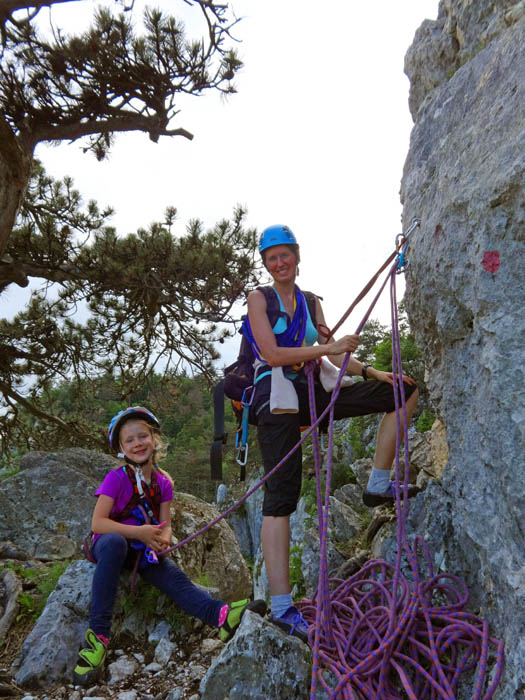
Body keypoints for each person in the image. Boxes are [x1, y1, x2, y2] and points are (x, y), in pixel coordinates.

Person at [246, 225, 419, 643]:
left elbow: (334, 351)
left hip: (312, 389)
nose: (279, 262)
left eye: (284, 254)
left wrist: (373, 371)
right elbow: (271, 353)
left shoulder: (310, 303)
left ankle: (378, 482)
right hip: (276, 396)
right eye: (272, 257)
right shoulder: (259, 299)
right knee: (282, 496)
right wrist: (327, 350)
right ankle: (283, 606)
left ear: (297, 255)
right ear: (266, 264)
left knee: (404, 390)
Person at [74, 406, 266, 687]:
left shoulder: (163, 483)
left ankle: (221, 616)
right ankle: (97, 639)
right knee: (115, 543)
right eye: (130, 440)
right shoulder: (116, 479)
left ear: (154, 440)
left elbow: (165, 525)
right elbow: (98, 524)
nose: (138, 443)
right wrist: (138, 532)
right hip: (107, 542)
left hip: (138, 548)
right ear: (121, 448)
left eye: (143, 436)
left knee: (172, 575)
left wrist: (163, 539)